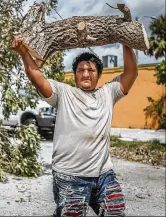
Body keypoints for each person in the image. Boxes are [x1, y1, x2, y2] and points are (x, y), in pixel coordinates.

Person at [12, 38, 138, 216]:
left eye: (91, 70)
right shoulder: (64, 93)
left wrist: (126, 40)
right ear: (75, 75)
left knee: (116, 211)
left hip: (103, 174)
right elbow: (38, 78)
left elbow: (131, 73)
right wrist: (24, 52)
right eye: (81, 70)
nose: (86, 74)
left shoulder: (109, 92)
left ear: (99, 75)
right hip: (70, 176)